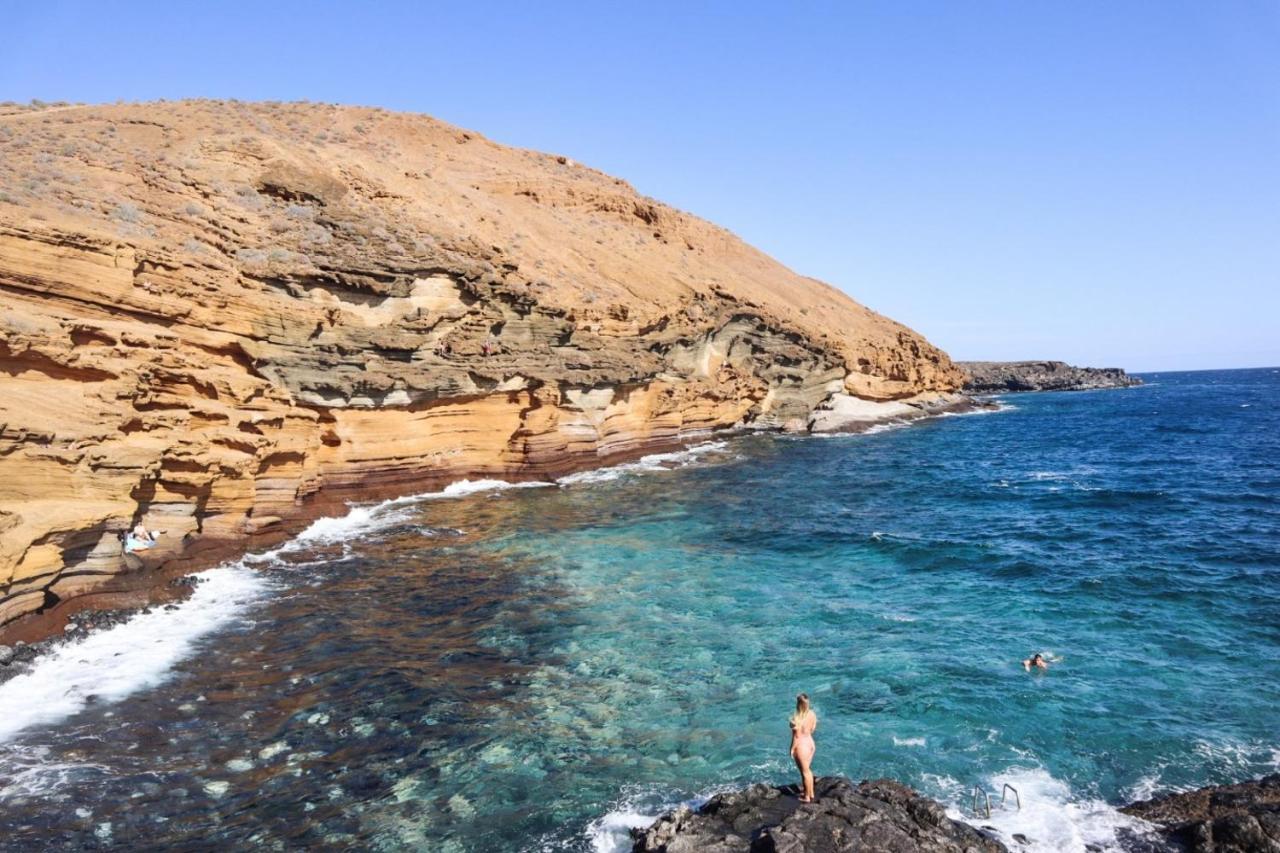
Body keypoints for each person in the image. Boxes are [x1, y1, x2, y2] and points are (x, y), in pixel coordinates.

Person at [789, 693, 818, 803]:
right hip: (810, 744)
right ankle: (810, 793)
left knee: (804, 772)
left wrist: (792, 748)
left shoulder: (795, 718)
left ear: (798, 704)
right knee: (808, 771)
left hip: (801, 747)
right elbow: (813, 728)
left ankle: (806, 797)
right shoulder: (812, 714)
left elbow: (796, 736)